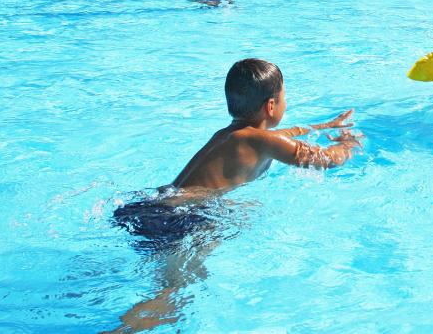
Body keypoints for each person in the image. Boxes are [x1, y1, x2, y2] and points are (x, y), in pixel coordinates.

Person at [109, 58, 361, 332]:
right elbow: (324, 159)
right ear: (272, 106)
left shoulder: (233, 134)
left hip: (152, 207)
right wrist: (349, 143)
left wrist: (322, 127)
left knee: (177, 275)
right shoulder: (263, 141)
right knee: (174, 297)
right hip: (183, 219)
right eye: (284, 95)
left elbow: (282, 134)